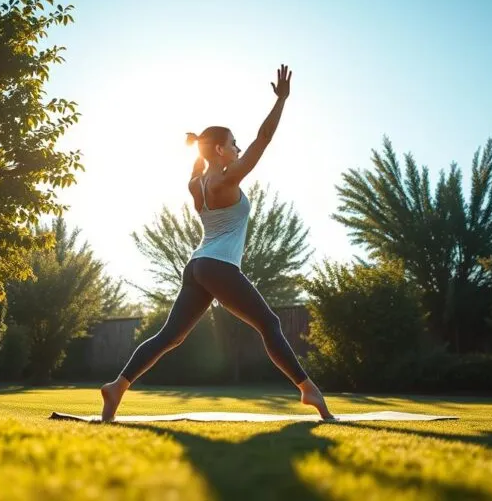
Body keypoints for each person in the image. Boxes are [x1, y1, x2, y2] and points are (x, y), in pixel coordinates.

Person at [100, 64, 334, 422]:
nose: (239, 148)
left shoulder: (198, 185)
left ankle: (118, 385)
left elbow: (199, 165)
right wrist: (282, 101)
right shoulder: (227, 180)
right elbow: (264, 138)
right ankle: (307, 389)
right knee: (270, 324)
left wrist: (198, 146)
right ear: (223, 151)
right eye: (233, 144)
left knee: (170, 336)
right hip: (217, 265)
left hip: (196, 267)